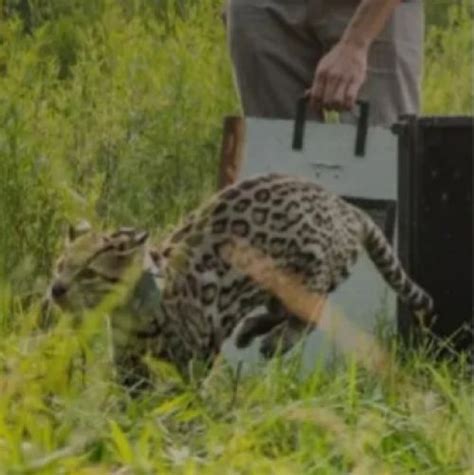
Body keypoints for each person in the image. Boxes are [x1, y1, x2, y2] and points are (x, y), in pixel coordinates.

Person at [224, 0, 424, 126]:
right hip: (263, 10)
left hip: (374, 8)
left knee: (382, 156)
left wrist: (355, 43)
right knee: (278, 163)